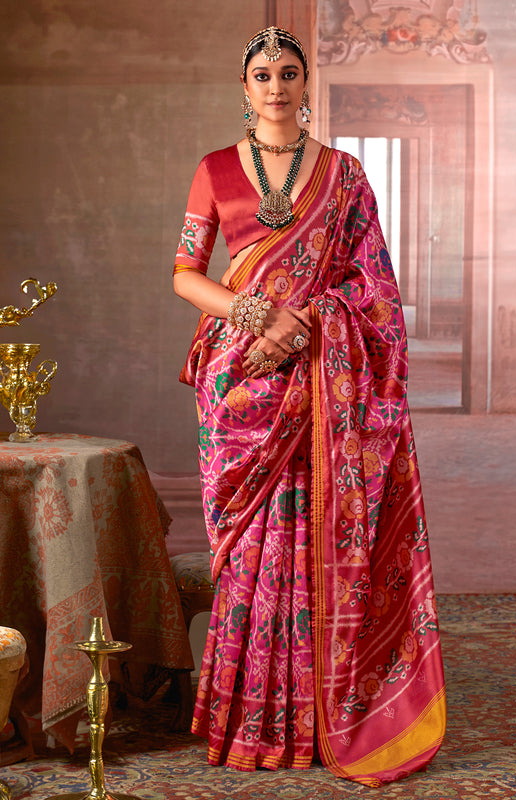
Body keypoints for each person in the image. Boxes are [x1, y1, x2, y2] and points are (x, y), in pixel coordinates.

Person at [172, 26, 446, 788]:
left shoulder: (346, 176)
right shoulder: (216, 170)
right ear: (244, 86)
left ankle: (326, 714)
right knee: (253, 549)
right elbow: (186, 276)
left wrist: (313, 324)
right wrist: (258, 320)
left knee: (316, 532)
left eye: (289, 72)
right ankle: (249, 719)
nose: (276, 85)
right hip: (244, 379)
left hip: (323, 378)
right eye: (262, 74)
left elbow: (375, 289)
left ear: (305, 84)